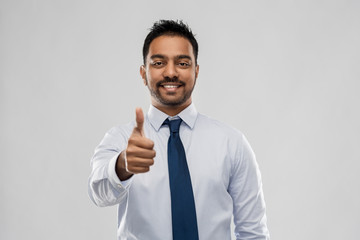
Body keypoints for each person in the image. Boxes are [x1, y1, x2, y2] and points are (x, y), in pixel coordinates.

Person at [88, 19, 270, 240]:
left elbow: (253, 232)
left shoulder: (231, 143)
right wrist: (122, 165)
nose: (171, 72)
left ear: (196, 70)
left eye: (182, 63)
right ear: (143, 73)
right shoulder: (120, 139)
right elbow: (99, 193)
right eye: (158, 63)